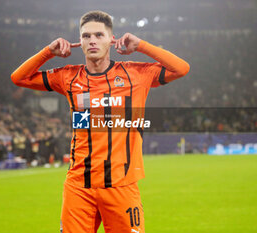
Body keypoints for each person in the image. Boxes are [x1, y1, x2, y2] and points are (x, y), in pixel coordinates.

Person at [11, 10, 189, 233]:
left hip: (121, 186)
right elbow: (18, 78)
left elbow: (181, 68)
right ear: (80, 42)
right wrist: (48, 52)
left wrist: (141, 45)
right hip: (79, 187)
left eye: (99, 35)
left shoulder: (135, 74)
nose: (92, 40)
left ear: (111, 40)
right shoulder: (68, 77)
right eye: (86, 36)